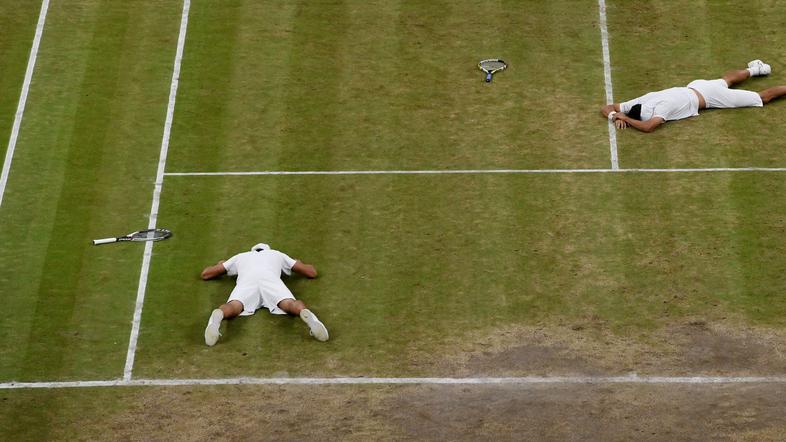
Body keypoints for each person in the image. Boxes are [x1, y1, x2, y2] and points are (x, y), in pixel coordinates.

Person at [601, 60, 786, 133]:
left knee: (762, 98)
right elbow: (607, 107)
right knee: (726, 79)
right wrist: (613, 115)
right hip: (696, 85)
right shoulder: (642, 100)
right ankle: (756, 69)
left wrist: (624, 118)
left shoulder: (659, 109)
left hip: (711, 97)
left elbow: (648, 127)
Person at [200, 242, 329, 346]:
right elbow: (311, 272)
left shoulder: (240, 256)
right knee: (290, 304)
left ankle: (219, 316)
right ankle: (307, 315)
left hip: (248, 280)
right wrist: (299, 263)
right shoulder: (276, 254)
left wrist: (220, 265)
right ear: (267, 249)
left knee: (234, 306)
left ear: (252, 251)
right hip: (270, 279)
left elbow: (206, 274)